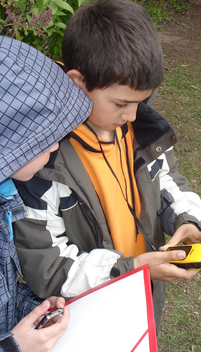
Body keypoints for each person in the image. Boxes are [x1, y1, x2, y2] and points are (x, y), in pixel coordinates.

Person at [13, 0, 201, 329]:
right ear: (78, 83)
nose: (133, 114)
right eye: (122, 103)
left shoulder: (140, 133)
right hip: (90, 318)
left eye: (141, 101)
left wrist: (186, 222)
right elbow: (46, 268)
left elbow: (169, 181)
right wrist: (131, 269)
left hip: (144, 296)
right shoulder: (41, 161)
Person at [0, 36, 93, 351]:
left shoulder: (6, 201)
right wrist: (14, 346)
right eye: (41, 140)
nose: (55, 146)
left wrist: (36, 311)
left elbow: (5, 299)